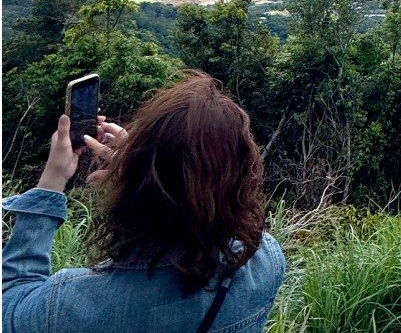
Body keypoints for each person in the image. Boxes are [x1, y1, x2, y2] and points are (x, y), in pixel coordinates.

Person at [3, 72, 285, 333]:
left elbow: (10, 304)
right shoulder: (264, 261)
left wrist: (51, 181)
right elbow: (196, 194)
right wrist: (142, 167)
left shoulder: (75, 305)